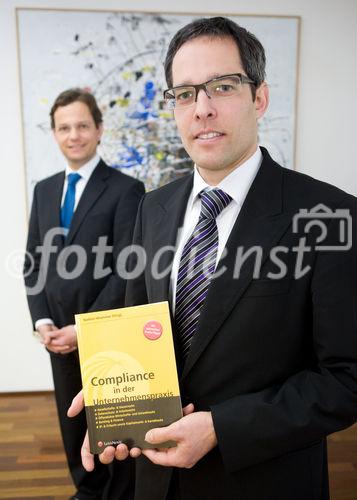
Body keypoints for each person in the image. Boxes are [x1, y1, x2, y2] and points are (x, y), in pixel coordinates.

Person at [69, 17, 357, 500]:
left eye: (222, 86)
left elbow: (347, 379)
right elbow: (141, 324)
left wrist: (221, 426)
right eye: (184, 93)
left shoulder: (329, 214)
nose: (201, 109)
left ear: (258, 98)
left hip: (262, 480)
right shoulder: (154, 207)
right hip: (158, 478)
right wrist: (112, 397)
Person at [24, 88, 145, 500]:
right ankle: (89, 490)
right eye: (63, 127)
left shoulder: (127, 189)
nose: (73, 135)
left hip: (105, 331)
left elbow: (129, 269)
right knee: (71, 419)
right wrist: (42, 322)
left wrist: (85, 327)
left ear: (98, 130)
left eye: (81, 126)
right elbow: (33, 262)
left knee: (113, 421)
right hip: (57, 335)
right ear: (55, 133)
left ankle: (120, 494)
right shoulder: (43, 189)